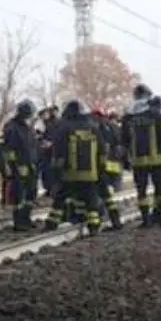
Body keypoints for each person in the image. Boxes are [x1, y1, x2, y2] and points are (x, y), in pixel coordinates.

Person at [44, 100, 105, 236]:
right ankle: (94, 226)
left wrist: (56, 173)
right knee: (91, 200)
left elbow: (58, 151)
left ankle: (51, 223)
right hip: (90, 174)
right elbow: (101, 151)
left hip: (69, 173)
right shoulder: (93, 128)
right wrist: (101, 171)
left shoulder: (64, 128)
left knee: (60, 199)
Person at [121, 84, 161, 227]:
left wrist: (126, 158)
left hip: (138, 160)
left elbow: (124, 140)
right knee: (160, 190)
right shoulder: (156, 113)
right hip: (157, 159)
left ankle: (146, 220)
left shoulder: (128, 115)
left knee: (141, 191)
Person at [0, 100, 38, 231]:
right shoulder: (12, 127)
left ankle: (26, 218)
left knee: (31, 194)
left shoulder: (27, 127)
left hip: (30, 165)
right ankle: (19, 222)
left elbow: (31, 146)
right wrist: (13, 166)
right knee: (19, 194)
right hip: (19, 166)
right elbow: (8, 149)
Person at [93, 107, 123, 229]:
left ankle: (101, 216)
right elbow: (120, 145)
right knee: (108, 193)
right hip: (113, 165)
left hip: (103, 166)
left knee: (102, 193)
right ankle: (115, 220)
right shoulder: (114, 127)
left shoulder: (96, 129)